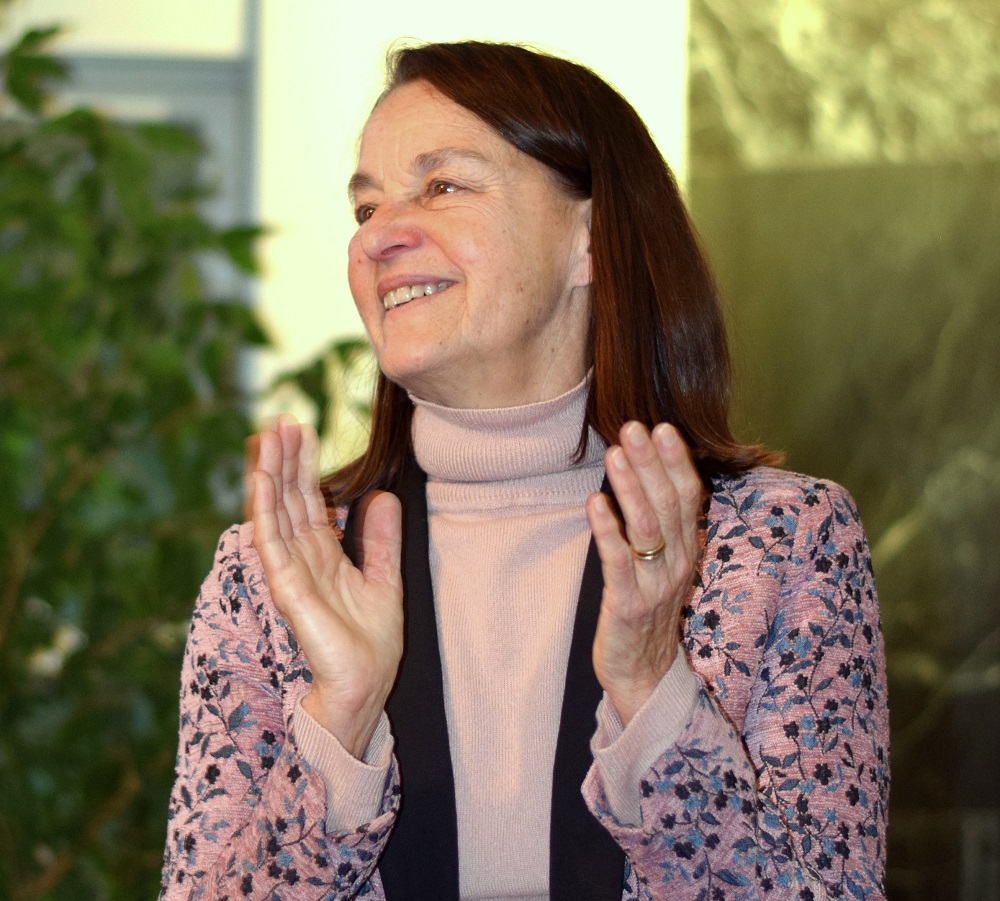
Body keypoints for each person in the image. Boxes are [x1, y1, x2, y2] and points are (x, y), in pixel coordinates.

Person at [159, 41, 889, 901]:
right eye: (365, 208)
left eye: (442, 186)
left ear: (588, 237)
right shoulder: (271, 576)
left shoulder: (781, 545)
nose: (380, 236)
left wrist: (657, 688)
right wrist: (341, 714)